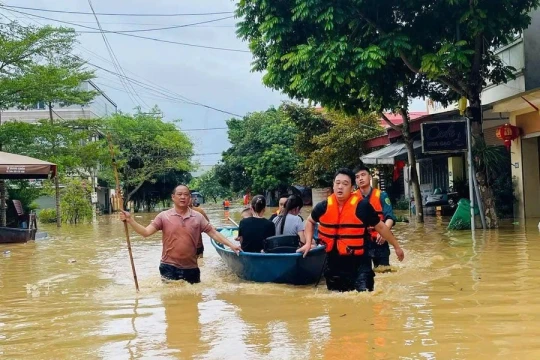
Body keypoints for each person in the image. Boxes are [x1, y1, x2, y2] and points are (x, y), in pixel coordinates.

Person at [299, 168, 404, 292]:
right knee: (336, 301)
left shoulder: (362, 206)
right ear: (333, 185)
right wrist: (307, 243)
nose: (340, 187)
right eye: (337, 183)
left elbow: (381, 227)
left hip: (359, 264)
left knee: (364, 298)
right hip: (334, 263)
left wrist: (397, 247)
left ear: (352, 187)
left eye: (345, 184)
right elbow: (310, 221)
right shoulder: (323, 206)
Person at [120, 184, 241, 283]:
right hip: (169, 266)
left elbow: (214, 233)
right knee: (171, 303)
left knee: (193, 304)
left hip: (192, 268)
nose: (183, 197)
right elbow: (146, 232)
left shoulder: (198, 217)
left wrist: (232, 245)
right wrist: (130, 220)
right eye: (179, 194)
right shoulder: (164, 216)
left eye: (186, 194)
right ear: (173, 197)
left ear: (190, 198)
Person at [354, 163, 396, 270]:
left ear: (370, 177)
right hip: (361, 242)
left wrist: (384, 233)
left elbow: (389, 217)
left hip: (379, 241)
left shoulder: (381, 195)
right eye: (357, 177)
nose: (360, 179)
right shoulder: (352, 198)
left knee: (384, 273)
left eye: (363, 175)